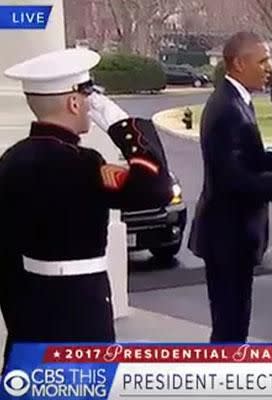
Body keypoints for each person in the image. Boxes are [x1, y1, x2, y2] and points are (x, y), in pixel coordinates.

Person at [0, 48, 172, 370]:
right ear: (75, 103)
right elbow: (157, 188)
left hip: (28, 315)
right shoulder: (85, 166)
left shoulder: (11, 161)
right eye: (88, 94)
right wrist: (122, 125)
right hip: (81, 315)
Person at [188, 32, 272, 343]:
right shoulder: (226, 108)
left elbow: (253, 158)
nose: (269, 68)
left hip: (234, 236)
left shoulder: (238, 100)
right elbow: (233, 179)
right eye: (263, 60)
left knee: (235, 320)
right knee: (229, 325)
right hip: (227, 235)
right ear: (239, 63)